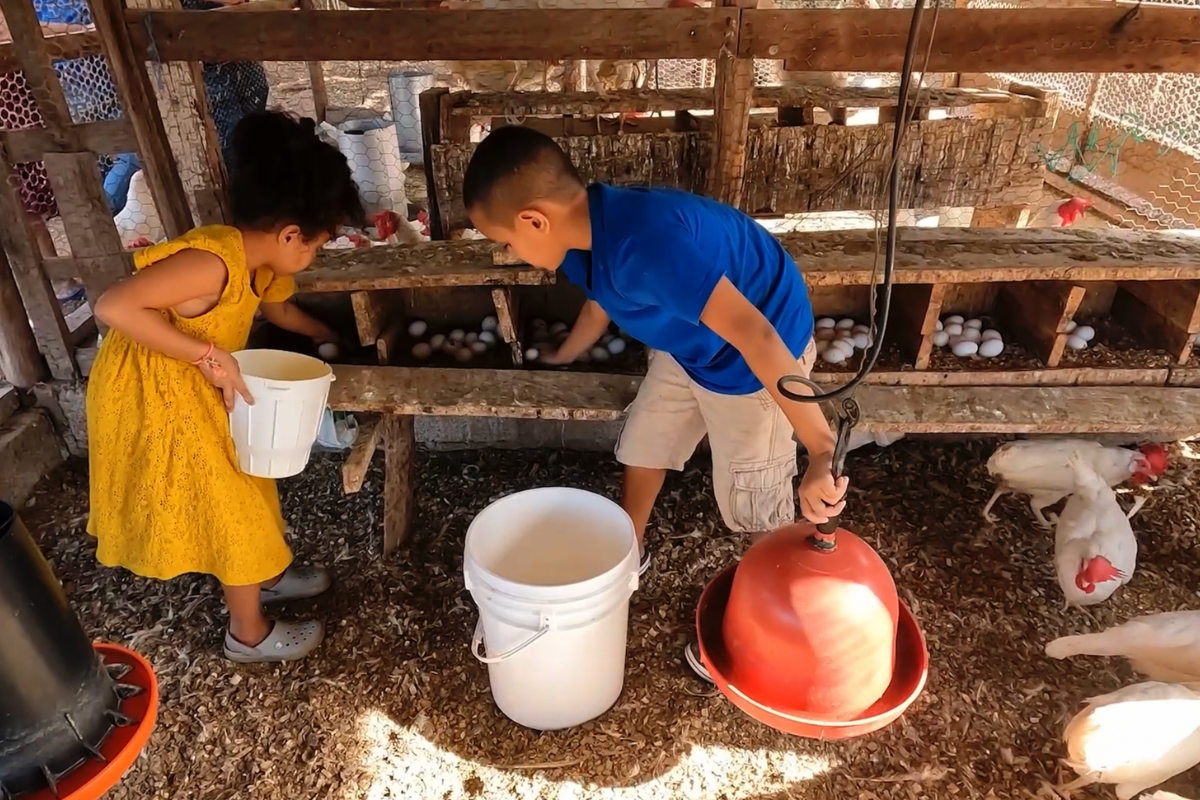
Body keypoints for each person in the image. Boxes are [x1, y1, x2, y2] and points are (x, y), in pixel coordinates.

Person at [461, 125, 849, 683]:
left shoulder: (645, 247)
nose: (509, 253)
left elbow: (757, 337)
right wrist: (565, 355)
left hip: (754, 362)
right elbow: (601, 297)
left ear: (534, 220)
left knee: (755, 504)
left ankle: (763, 638)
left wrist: (819, 446)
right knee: (646, 441)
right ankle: (627, 552)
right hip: (689, 344)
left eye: (505, 240)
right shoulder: (585, 231)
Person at [87, 111, 365, 663]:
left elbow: (280, 308)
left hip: (199, 383)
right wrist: (208, 353)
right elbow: (114, 306)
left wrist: (329, 334)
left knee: (251, 475)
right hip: (154, 394)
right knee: (231, 499)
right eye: (316, 246)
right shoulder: (211, 261)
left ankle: (268, 571)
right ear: (291, 233)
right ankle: (250, 634)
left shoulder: (261, 261)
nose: (313, 257)